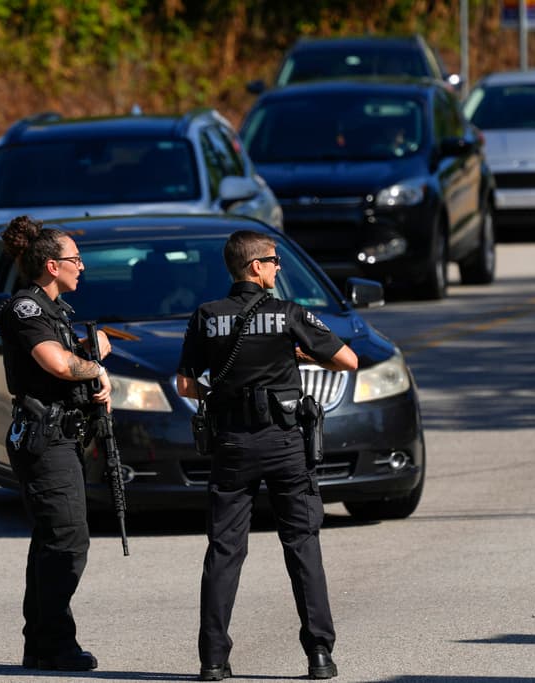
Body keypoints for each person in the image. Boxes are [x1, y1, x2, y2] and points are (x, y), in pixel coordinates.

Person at [176, 230, 359, 681]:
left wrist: (216, 389)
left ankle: (213, 660)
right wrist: (302, 356)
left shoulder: (206, 316)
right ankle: (319, 655)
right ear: (255, 266)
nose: (279, 267)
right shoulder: (288, 313)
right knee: (302, 546)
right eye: (274, 261)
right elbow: (349, 361)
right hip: (283, 444)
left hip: (233, 445)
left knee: (223, 550)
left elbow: (184, 385)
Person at [0, 215, 112, 672]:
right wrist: (94, 368)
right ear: (50, 265)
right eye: (74, 260)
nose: (81, 267)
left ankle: (41, 643)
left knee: (53, 540)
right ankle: (56, 644)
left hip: (62, 436)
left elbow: (74, 359)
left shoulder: (55, 311)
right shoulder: (25, 310)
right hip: (43, 438)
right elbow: (56, 364)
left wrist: (95, 354)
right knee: (66, 541)